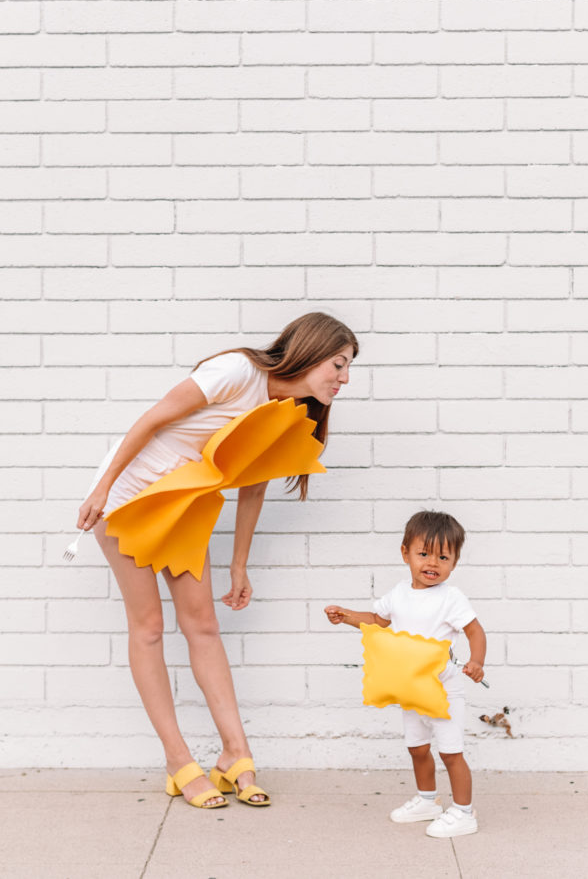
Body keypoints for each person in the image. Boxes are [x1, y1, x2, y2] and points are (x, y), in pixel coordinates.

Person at [77, 312, 358, 810]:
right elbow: (154, 418)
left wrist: (238, 564)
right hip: (127, 499)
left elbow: (253, 486)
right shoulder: (237, 371)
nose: (345, 378)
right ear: (311, 351)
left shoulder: (288, 408)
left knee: (203, 624)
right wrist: (101, 489)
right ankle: (177, 761)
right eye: (339, 364)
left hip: (183, 505)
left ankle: (235, 754)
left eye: (348, 368)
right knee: (147, 626)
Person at [324, 510, 486, 838]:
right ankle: (428, 801)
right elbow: (378, 619)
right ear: (405, 553)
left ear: (454, 562)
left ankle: (464, 812)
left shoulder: (451, 598)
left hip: (443, 691)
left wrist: (477, 661)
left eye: (443, 556)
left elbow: (475, 632)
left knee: (451, 751)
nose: (432, 563)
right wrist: (347, 616)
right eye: (423, 553)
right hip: (411, 690)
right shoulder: (398, 594)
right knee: (416, 747)